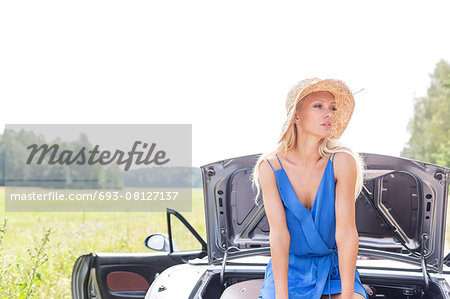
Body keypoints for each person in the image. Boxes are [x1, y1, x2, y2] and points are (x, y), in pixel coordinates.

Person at [251, 78, 369, 299]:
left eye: (332, 108)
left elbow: (346, 233)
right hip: (289, 270)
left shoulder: (342, 161)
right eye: (319, 106)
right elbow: (279, 235)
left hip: (334, 267)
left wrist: (347, 296)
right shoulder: (270, 167)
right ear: (296, 116)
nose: (329, 114)